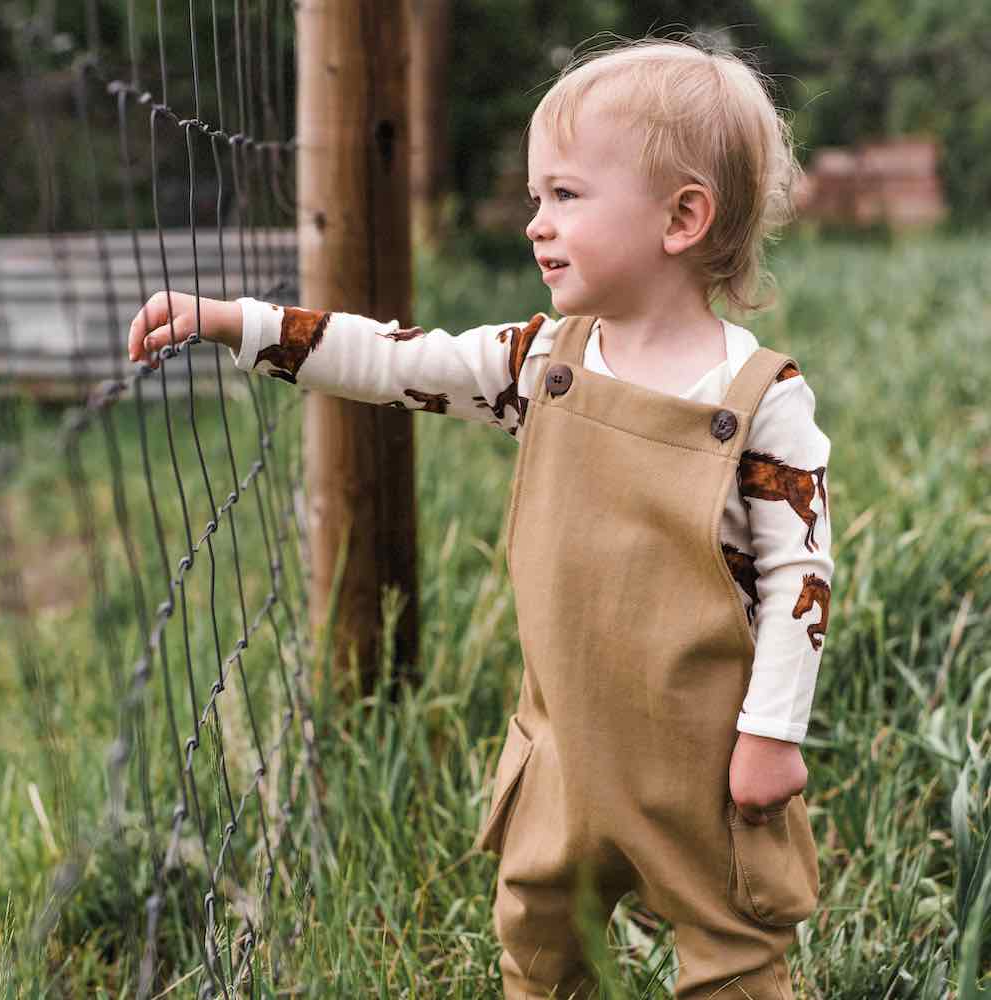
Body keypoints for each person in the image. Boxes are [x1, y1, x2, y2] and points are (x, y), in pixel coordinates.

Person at [128, 35, 834, 1000]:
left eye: (566, 196)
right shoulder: (541, 364)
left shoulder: (759, 401)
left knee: (733, 955)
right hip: (565, 746)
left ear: (683, 218)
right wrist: (238, 323)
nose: (535, 224)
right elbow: (397, 360)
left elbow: (801, 580)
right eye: (537, 197)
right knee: (540, 944)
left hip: (704, 758)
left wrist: (772, 734)